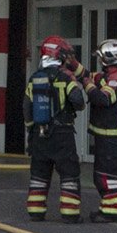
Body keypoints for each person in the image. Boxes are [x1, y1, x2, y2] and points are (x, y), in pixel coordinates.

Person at [23, 35, 85, 221]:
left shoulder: (34, 79)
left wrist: (31, 132)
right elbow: (79, 102)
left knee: (39, 174)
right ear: (59, 56)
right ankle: (70, 214)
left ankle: (35, 211)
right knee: (69, 173)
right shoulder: (65, 78)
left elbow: (27, 108)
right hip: (62, 133)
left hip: (39, 134)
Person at [84, 39, 117, 222]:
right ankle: (106, 209)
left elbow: (102, 99)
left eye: (101, 58)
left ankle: (112, 212)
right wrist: (72, 65)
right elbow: (88, 75)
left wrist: (87, 85)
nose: (99, 61)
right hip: (105, 136)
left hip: (112, 138)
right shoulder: (108, 76)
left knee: (107, 177)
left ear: (109, 59)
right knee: (101, 176)